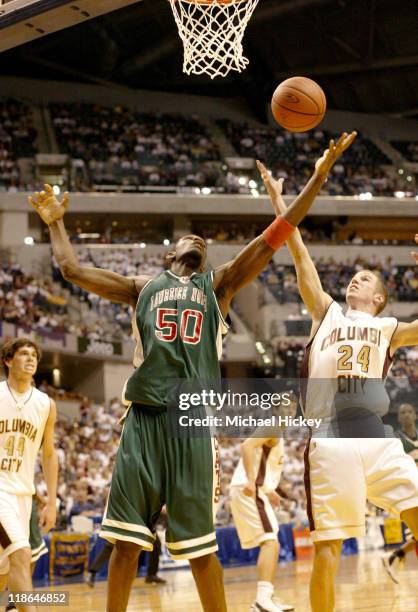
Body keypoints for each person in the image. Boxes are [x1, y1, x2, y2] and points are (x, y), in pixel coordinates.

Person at [29, 131, 355, 612]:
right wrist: (57, 223)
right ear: (169, 255)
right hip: (141, 419)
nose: (198, 238)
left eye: (202, 238)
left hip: (190, 419)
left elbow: (278, 231)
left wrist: (317, 178)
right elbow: (72, 269)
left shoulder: (219, 284)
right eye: (189, 236)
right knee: (125, 543)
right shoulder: (140, 286)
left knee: (201, 549)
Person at [259, 164, 418, 612]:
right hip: (331, 436)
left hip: (376, 434)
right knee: (330, 547)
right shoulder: (325, 312)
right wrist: (278, 203)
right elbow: (299, 251)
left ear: (380, 297)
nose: (356, 278)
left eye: (367, 279)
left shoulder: (389, 326)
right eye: (354, 275)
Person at [0, 339, 58, 612]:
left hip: (23, 494)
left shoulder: (46, 404)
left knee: (5, 568)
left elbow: (48, 454)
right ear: (8, 360)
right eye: (23, 353)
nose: (30, 358)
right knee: (21, 555)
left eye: (34, 354)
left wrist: (51, 500)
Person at [230, 432, 293, 612]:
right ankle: (262, 600)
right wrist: (251, 480)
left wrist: (269, 490)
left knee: (271, 542)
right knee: (270, 541)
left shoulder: (279, 432)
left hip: (254, 489)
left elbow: (261, 464)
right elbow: (247, 446)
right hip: (249, 489)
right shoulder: (273, 424)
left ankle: (267, 597)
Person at [381, 402, 418, 583]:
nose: (406, 415)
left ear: (415, 415)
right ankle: (394, 555)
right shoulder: (395, 441)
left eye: (410, 412)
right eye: (402, 413)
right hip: (411, 493)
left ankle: (393, 555)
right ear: (398, 417)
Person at [5, 493, 49, 612]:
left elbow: (29, 479)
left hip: (27, 504)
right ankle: (12, 603)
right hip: (7, 498)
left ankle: (13, 603)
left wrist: (46, 503)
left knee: (29, 555)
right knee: (20, 554)